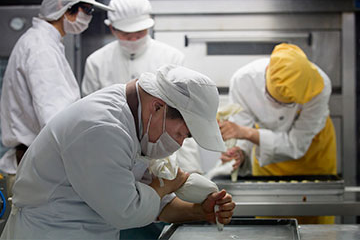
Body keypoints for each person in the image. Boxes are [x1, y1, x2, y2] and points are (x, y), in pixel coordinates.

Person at [0, 65, 235, 240]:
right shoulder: (102, 128)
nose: (180, 144)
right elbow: (127, 212)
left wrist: (201, 212)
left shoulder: (135, 124)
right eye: (182, 134)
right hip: (50, 233)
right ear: (158, 107)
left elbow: (158, 204)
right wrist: (173, 182)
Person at [0, 0, 113, 196]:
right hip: (37, 171)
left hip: (37, 165)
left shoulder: (44, 43)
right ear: (64, 7)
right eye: (87, 9)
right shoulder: (41, 49)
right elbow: (57, 123)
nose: (88, 16)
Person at [219, 43, 336, 224]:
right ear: (267, 71)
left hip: (313, 154)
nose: (282, 108)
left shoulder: (319, 86)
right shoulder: (243, 81)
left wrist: (247, 133)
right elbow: (242, 128)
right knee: (271, 221)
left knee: (316, 221)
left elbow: (297, 144)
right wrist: (240, 152)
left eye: (290, 104)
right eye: (276, 101)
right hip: (266, 157)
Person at [81, 0, 185, 97]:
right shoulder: (96, 62)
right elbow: (89, 107)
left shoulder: (172, 58)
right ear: (112, 29)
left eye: (140, 32)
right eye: (126, 34)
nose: (134, 38)